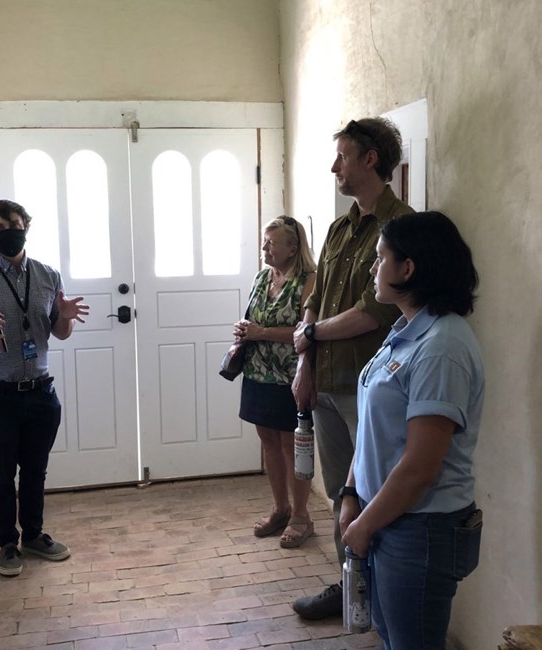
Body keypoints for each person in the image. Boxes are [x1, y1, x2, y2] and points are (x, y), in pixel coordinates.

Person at [341, 210, 484, 649]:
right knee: (392, 636)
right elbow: (375, 429)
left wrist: (365, 524)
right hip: (386, 514)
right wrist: (351, 492)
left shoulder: (443, 346)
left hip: (420, 527)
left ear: (408, 268)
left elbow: (421, 465)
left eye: (380, 257)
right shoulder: (406, 331)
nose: (372, 267)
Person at [291, 117, 413, 618]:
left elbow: (372, 312)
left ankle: (381, 594)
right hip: (325, 381)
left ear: (370, 159)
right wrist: (305, 365)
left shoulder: (401, 227)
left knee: (375, 492)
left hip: (370, 386)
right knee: (343, 489)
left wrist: (312, 334)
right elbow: (313, 301)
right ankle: (349, 587)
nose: (333, 167)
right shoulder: (340, 227)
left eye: (342, 156)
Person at [0, 199, 89, 577]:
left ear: (26, 224)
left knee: (35, 470)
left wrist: (65, 317)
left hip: (41, 392)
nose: (7, 230)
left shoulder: (47, 275)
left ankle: (34, 535)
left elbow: (57, 334)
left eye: (13, 223)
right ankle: (7, 544)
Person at [234, 216, 316, 548]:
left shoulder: (309, 281)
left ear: (293, 248)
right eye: (264, 241)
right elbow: (254, 317)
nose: (265, 248)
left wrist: (262, 332)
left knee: (290, 445)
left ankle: (301, 516)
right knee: (267, 440)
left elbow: (305, 332)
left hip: (290, 375)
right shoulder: (262, 277)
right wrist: (244, 329)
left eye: (272, 243)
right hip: (257, 371)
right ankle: (280, 509)